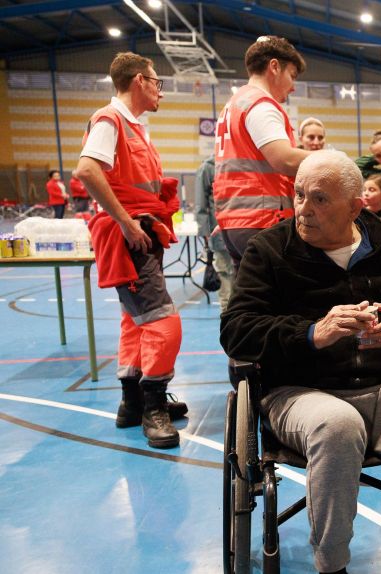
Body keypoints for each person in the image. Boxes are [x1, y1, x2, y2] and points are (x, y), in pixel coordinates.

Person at [220, 150, 381, 574]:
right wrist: (310, 333)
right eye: (299, 194)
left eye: (319, 199)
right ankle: (332, 565)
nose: (303, 209)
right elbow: (236, 330)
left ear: (355, 206)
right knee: (339, 426)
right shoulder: (268, 251)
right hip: (302, 393)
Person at [75, 52, 187, 449]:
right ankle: (153, 406)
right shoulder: (110, 119)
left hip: (142, 233)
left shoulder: (136, 127)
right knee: (162, 322)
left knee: (135, 321)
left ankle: (132, 401)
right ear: (140, 80)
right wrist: (125, 221)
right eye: (157, 82)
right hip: (129, 236)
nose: (160, 91)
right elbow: (86, 170)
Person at [213, 35, 310, 272]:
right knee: (277, 304)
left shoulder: (234, 104)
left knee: (250, 303)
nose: (293, 86)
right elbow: (284, 159)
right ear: (274, 67)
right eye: (292, 75)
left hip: (235, 221)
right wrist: (334, 160)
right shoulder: (261, 105)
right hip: (262, 220)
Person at [194, 155, 235, 310]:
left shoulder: (237, 163)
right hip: (219, 235)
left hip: (240, 231)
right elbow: (201, 205)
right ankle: (228, 323)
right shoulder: (207, 167)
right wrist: (206, 235)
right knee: (226, 277)